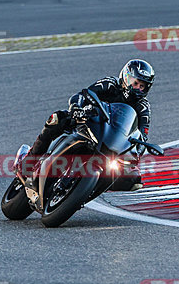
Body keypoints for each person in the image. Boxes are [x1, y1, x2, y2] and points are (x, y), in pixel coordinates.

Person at [16, 59, 155, 192]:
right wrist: (76, 108)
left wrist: (137, 152)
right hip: (88, 121)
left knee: (134, 179)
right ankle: (29, 161)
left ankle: (88, 190)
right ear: (126, 77)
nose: (137, 88)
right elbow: (85, 93)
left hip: (112, 141)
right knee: (57, 119)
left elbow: (143, 135)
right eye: (135, 82)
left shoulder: (143, 107)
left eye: (142, 86)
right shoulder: (110, 83)